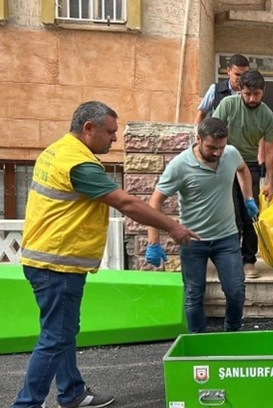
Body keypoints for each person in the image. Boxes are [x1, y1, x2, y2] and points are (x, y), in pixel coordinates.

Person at [13, 101, 199, 408]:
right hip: (56, 264)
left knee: (62, 332)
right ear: (89, 128)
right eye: (110, 132)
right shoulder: (78, 163)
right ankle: (26, 404)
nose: (114, 139)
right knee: (56, 337)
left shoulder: (57, 150)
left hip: (49, 260)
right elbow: (125, 203)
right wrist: (173, 227)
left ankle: (71, 392)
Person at [145, 118, 259, 334]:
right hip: (193, 241)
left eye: (221, 147)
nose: (217, 153)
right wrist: (153, 240)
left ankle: (232, 334)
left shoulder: (231, 154)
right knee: (194, 294)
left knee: (236, 291)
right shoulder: (180, 165)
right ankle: (198, 342)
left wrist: (248, 199)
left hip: (227, 237)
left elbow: (243, 170)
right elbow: (155, 201)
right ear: (198, 139)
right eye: (211, 147)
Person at [213, 70, 273, 279]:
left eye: (256, 94)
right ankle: (229, 258)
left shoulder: (267, 114)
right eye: (248, 94)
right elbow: (212, 131)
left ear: (263, 92)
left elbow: (269, 150)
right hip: (224, 163)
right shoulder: (228, 105)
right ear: (240, 90)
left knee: (250, 214)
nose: (251, 99)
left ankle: (249, 260)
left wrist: (270, 182)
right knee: (229, 214)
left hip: (250, 165)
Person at [194, 54, 250, 124]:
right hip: (217, 133)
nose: (241, 78)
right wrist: (196, 132)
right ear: (228, 71)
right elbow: (201, 114)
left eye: (244, 75)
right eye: (237, 74)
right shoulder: (215, 89)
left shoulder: (251, 93)